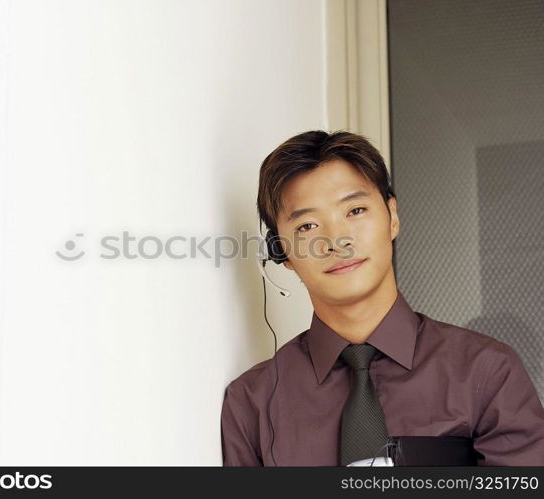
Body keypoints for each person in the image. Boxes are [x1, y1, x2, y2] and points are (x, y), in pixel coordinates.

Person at [220, 130, 544, 466]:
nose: (337, 241)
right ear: (280, 251)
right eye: (307, 227)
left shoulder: (486, 371)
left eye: (356, 210)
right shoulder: (252, 404)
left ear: (392, 216)